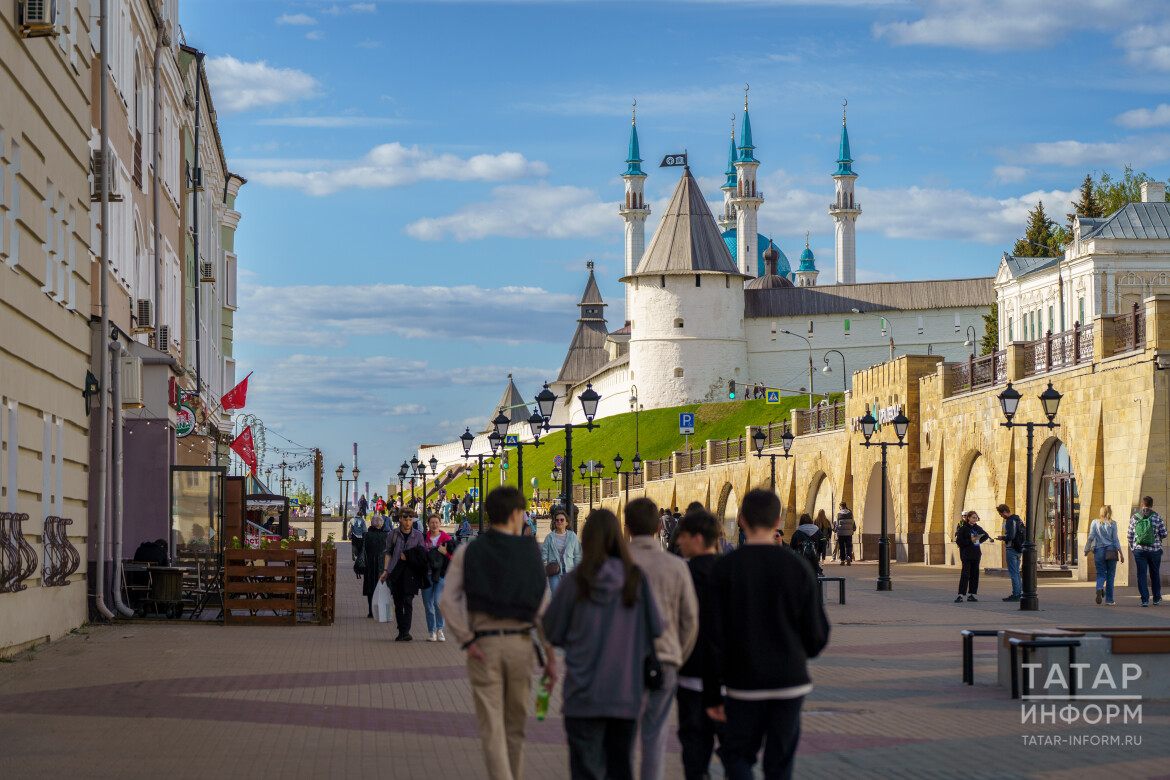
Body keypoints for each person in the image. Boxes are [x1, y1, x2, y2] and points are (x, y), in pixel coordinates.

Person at [704, 489, 829, 780]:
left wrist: (712, 695)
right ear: (778, 520)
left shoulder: (725, 569)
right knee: (780, 764)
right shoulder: (797, 568)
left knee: (736, 757)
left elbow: (711, 638)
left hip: (743, 683)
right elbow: (817, 632)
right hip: (789, 682)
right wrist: (799, 653)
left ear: (743, 520)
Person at [440, 486, 556, 780]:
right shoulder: (532, 553)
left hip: (484, 645)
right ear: (517, 514)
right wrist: (551, 655)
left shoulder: (469, 551)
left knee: (492, 728)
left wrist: (466, 639)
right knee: (515, 726)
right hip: (522, 646)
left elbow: (447, 601)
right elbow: (543, 608)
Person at [542, 508, 662, 780]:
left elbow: (551, 630)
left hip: (583, 695)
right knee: (620, 767)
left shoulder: (575, 582)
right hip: (625, 694)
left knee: (586, 770)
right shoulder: (635, 579)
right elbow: (656, 629)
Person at [626, 498, 699, 780]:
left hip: (622, 663)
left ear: (627, 527)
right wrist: (678, 653)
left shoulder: (613, 562)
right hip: (665, 660)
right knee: (654, 738)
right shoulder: (676, 566)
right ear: (659, 527)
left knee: (624, 738)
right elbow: (690, 619)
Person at [673, 509, 726, 780]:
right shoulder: (731, 572)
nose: (678, 542)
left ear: (696, 538)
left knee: (694, 755)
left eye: (682, 536)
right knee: (735, 757)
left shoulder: (681, 575)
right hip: (729, 680)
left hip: (691, 677)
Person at [380, 509, 428, 640]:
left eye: (410, 519)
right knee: (398, 602)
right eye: (405, 519)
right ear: (400, 519)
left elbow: (422, 554)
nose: (408, 522)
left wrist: (410, 556)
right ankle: (401, 629)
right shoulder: (393, 534)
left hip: (411, 573)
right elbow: (388, 552)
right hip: (396, 572)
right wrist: (385, 571)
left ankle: (406, 631)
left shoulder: (418, 535)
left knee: (408, 601)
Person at [1128, 496, 1167, 607]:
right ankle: (1156, 598)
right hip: (1155, 551)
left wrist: (1133, 548)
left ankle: (1144, 600)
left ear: (1142, 505)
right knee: (1155, 574)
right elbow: (1164, 534)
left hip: (1139, 551)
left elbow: (1129, 535)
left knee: (1141, 574)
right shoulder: (1157, 517)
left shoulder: (1135, 517)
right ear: (1152, 505)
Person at [422, 514, 454, 641]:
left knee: (438, 602)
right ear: (428, 524)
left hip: (441, 575)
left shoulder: (446, 539)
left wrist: (445, 552)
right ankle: (432, 631)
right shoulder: (424, 538)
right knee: (428, 605)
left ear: (440, 524)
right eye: (432, 522)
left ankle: (440, 629)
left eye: (436, 522)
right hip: (427, 574)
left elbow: (453, 558)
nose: (434, 525)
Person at [1086, 505, 1122, 606]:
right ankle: (1109, 600)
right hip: (1111, 550)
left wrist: (1087, 549)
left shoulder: (1094, 522)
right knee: (1110, 575)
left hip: (1099, 551)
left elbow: (1091, 537)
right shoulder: (1113, 523)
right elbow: (1115, 540)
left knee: (1101, 573)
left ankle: (1099, 588)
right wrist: (1121, 553)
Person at [541, 507, 582, 592]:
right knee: (556, 596)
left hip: (569, 571)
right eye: (557, 520)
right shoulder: (549, 538)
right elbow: (544, 554)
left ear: (566, 522)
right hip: (554, 571)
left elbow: (578, 555)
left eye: (562, 520)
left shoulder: (572, 537)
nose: (559, 522)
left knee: (568, 596)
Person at [954, 511, 991, 603]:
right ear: (968, 518)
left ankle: (971, 594)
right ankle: (961, 594)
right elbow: (959, 541)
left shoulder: (978, 528)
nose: (975, 519)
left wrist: (978, 541)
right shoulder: (963, 529)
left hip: (976, 554)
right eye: (973, 517)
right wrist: (970, 541)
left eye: (976, 518)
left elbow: (985, 535)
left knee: (975, 575)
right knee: (965, 574)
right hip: (966, 554)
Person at [360, 514, 389, 619]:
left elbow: (362, 549)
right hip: (382, 565)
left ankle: (371, 611)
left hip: (369, 565)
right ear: (381, 525)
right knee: (381, 588)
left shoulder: (366, 535)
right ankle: (381, 611)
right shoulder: (386, 535)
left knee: (370, 588)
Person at [995, 503, 1024, 601]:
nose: (1001, 516)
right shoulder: (1018, 519)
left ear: (1004, 512)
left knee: (1013, 573)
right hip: (1019, 548)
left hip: (1011, 549)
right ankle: (1019, 593)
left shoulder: (1010, 521)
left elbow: (1011, 536)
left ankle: (1016, 594)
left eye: (1001, 514)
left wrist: (1002, 538)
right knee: (1016, 572)